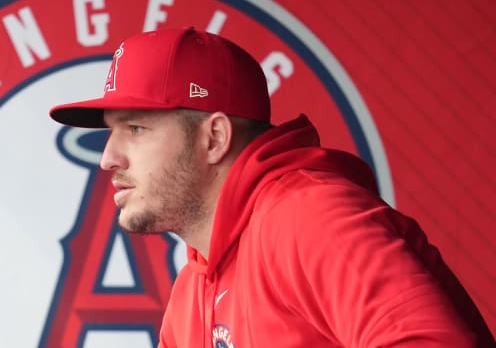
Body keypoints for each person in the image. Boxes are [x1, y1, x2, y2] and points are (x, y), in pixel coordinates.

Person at [49, 27, 495, 347]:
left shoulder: (308, 217)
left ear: (215, 138)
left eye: (136, 129)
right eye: (111, 132)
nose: (108, 157)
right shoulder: (190, 292)